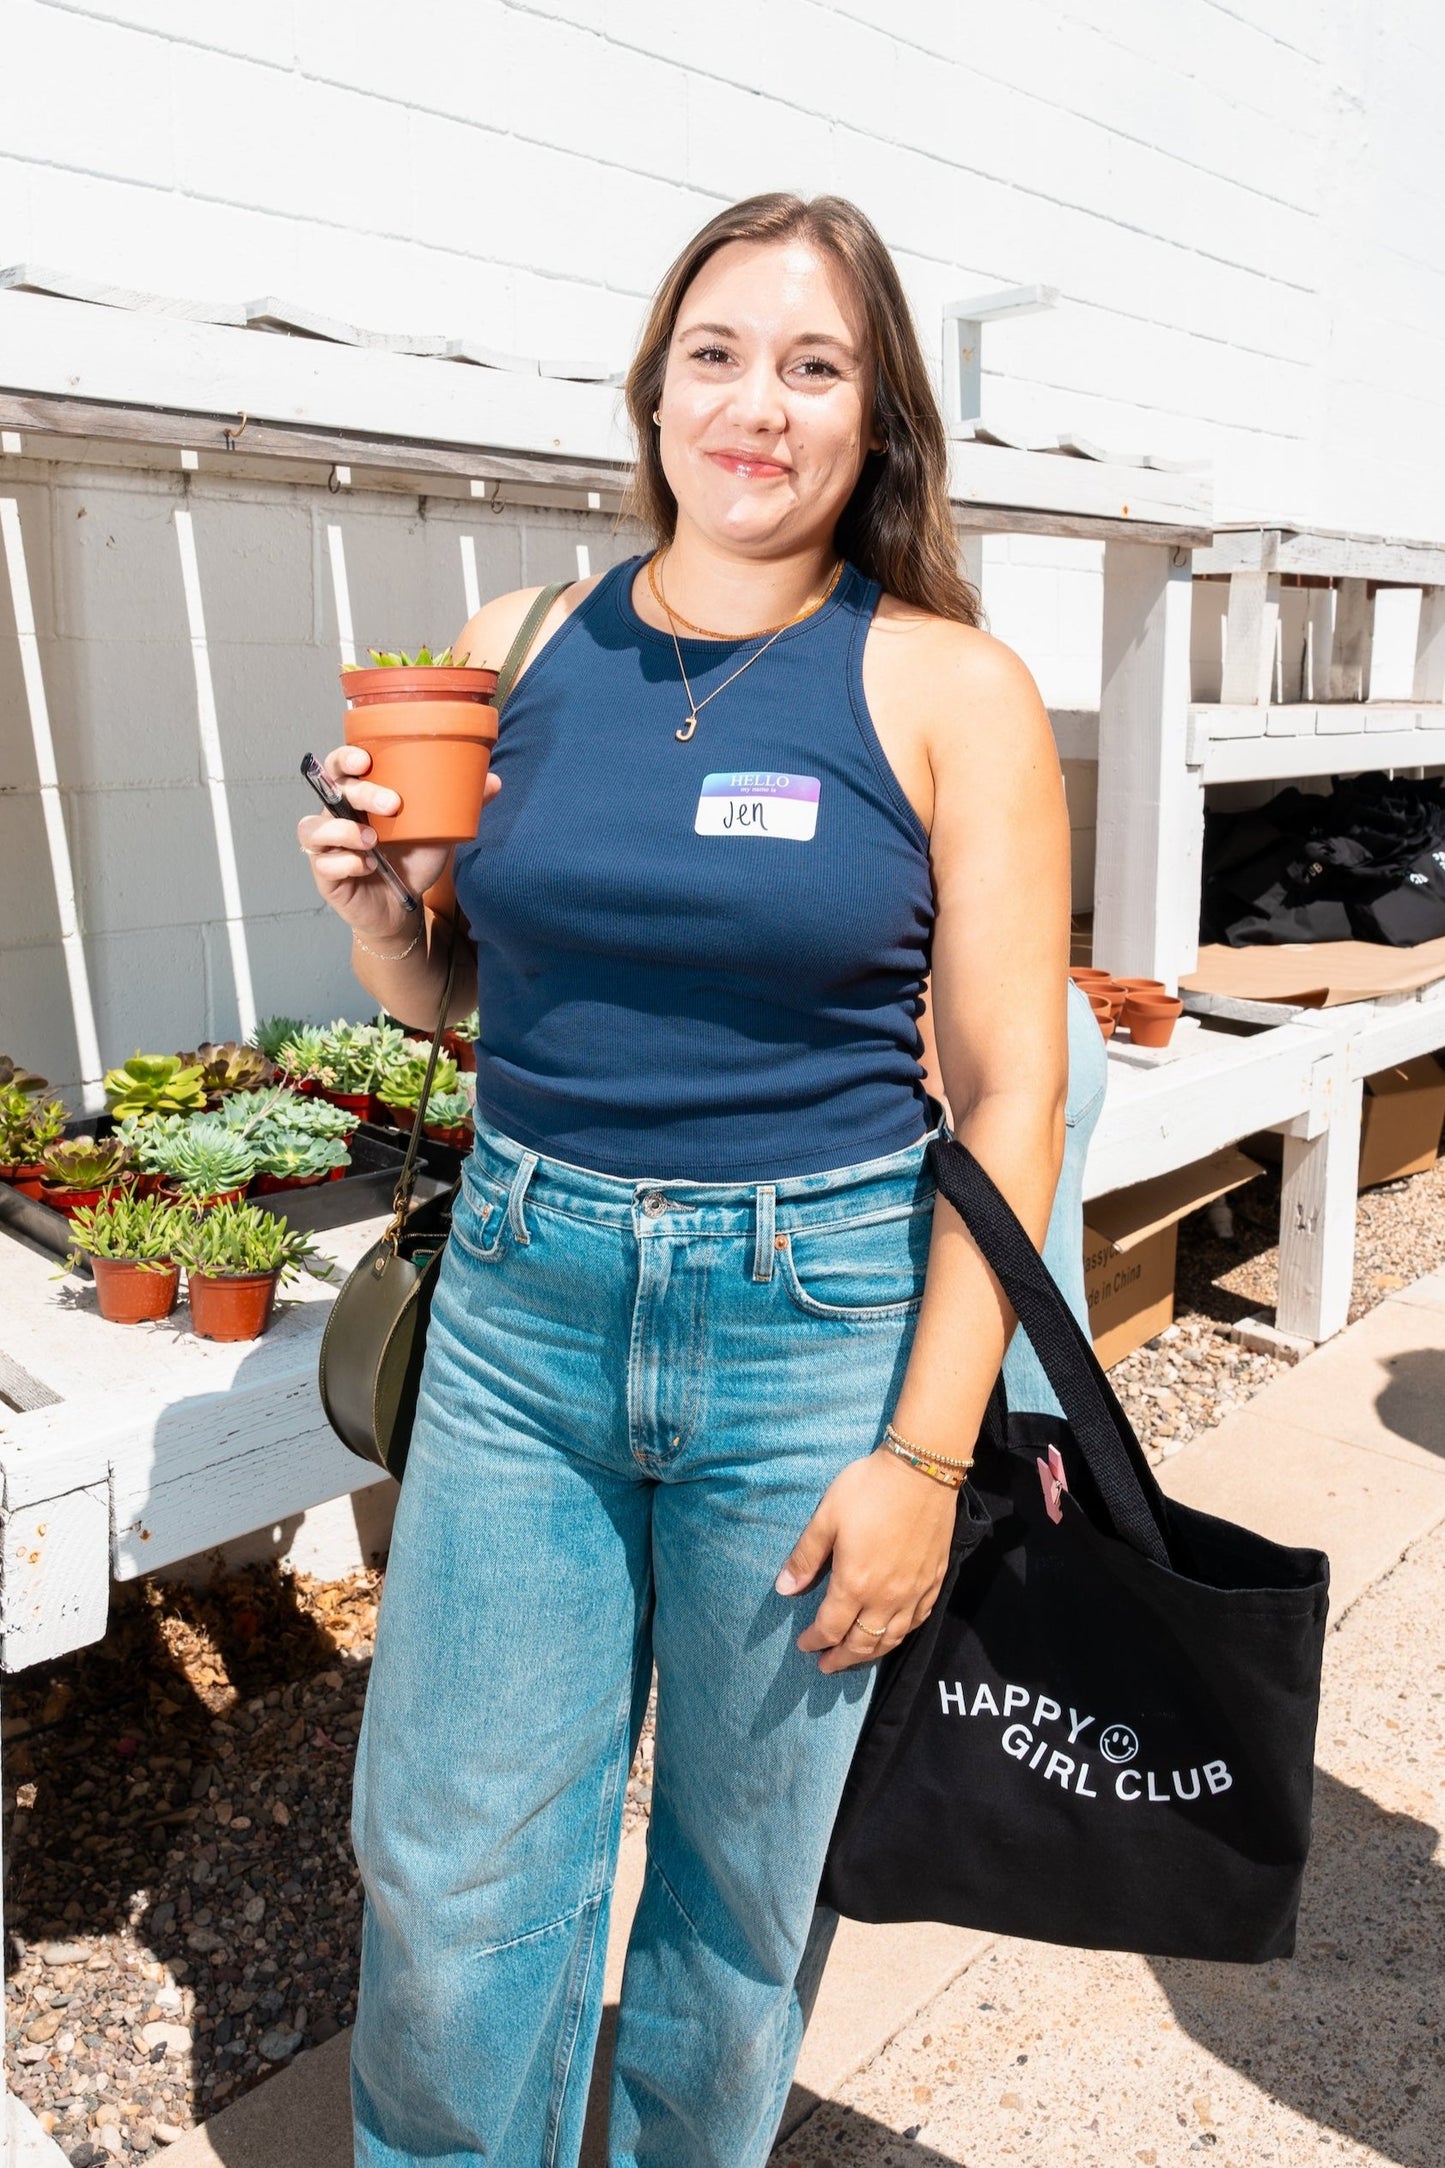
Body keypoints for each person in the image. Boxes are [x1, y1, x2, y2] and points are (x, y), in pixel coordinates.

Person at [299, 191, 1105, 2168]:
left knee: (744, 1900)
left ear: (876, 418)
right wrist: (379, 919)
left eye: (814, 366)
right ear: (655, 390)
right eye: (719, 355)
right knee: (458, 1872)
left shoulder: (945, 688)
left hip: (814, 1321)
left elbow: (1013, 1092)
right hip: (521, 1298)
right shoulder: (521, 644)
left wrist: (926, 1458)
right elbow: (461, 987)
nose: (758, 405)